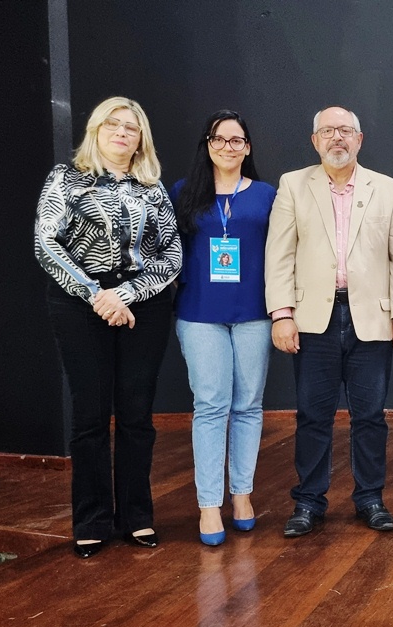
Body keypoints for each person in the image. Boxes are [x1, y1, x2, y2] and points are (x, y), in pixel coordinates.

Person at [34, 96, 181, 558]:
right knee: (91, 414)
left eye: (131, 128)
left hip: (144, 304)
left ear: (141, 140)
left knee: (137, 415)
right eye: (113, 124)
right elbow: (46, 243)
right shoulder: (66, 178)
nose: (121, 133)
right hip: (80, 304)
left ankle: (137, 516)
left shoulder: (152, 189)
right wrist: (97, 295)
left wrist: (127, 294)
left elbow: (171, 253)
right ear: (97, 129)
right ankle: (92, 519)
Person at [265, 106, 393, 537]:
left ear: (359, 139)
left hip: (372, 317)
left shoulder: (388, 190)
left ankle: (370, 498)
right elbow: (280, 255)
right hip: (313, 317)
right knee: (313, 415)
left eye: (345, 131)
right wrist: (282, 314)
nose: (337, 138)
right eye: (328, 131)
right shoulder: (293, 186)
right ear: (315, 141)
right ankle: (309, 502)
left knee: (370, 415)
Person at [170, 110, 276, 546]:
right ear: (207, 145)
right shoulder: (183, 193)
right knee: (212, 404)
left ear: (248, 147)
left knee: (249, 404)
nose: (228, 147)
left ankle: (243, 496)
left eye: (237, 140)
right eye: (220, 139)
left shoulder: (268, 195)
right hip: (199, 314)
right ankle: (209, 504)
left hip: (254, 313)